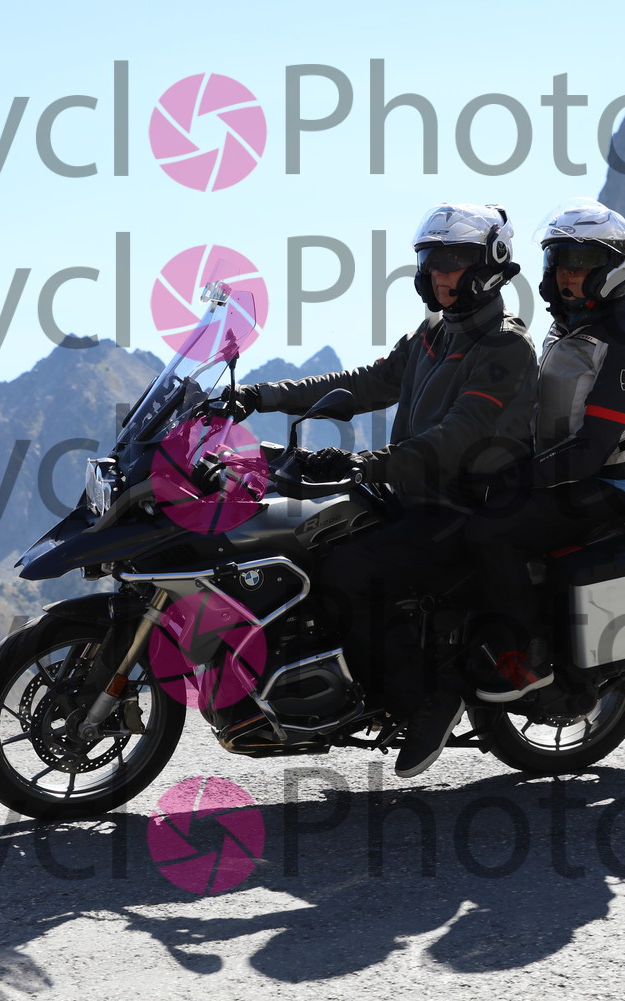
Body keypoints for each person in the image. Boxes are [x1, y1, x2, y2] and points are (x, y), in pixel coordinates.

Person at [223, 203, 537, 776]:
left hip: (462, 506)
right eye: (430, 262)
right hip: (409, 494)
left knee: (353, 570)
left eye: (451, 261)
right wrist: (261, 397)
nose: (437, 274)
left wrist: (368, 463)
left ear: (489, 265)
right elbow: (365, 382)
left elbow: (457, 436)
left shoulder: (504, 347)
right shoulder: (433, 334)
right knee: (306, 543)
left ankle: (428, 698)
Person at [464, 197, 625, 702]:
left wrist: (516, 477)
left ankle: (526, 658)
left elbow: (591, 449)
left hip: (610, 483)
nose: (566, 275)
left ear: (614, 269)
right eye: (558, 262)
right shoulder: (567, 326)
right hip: (561, 469)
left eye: (581, 263)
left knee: (491, 530)